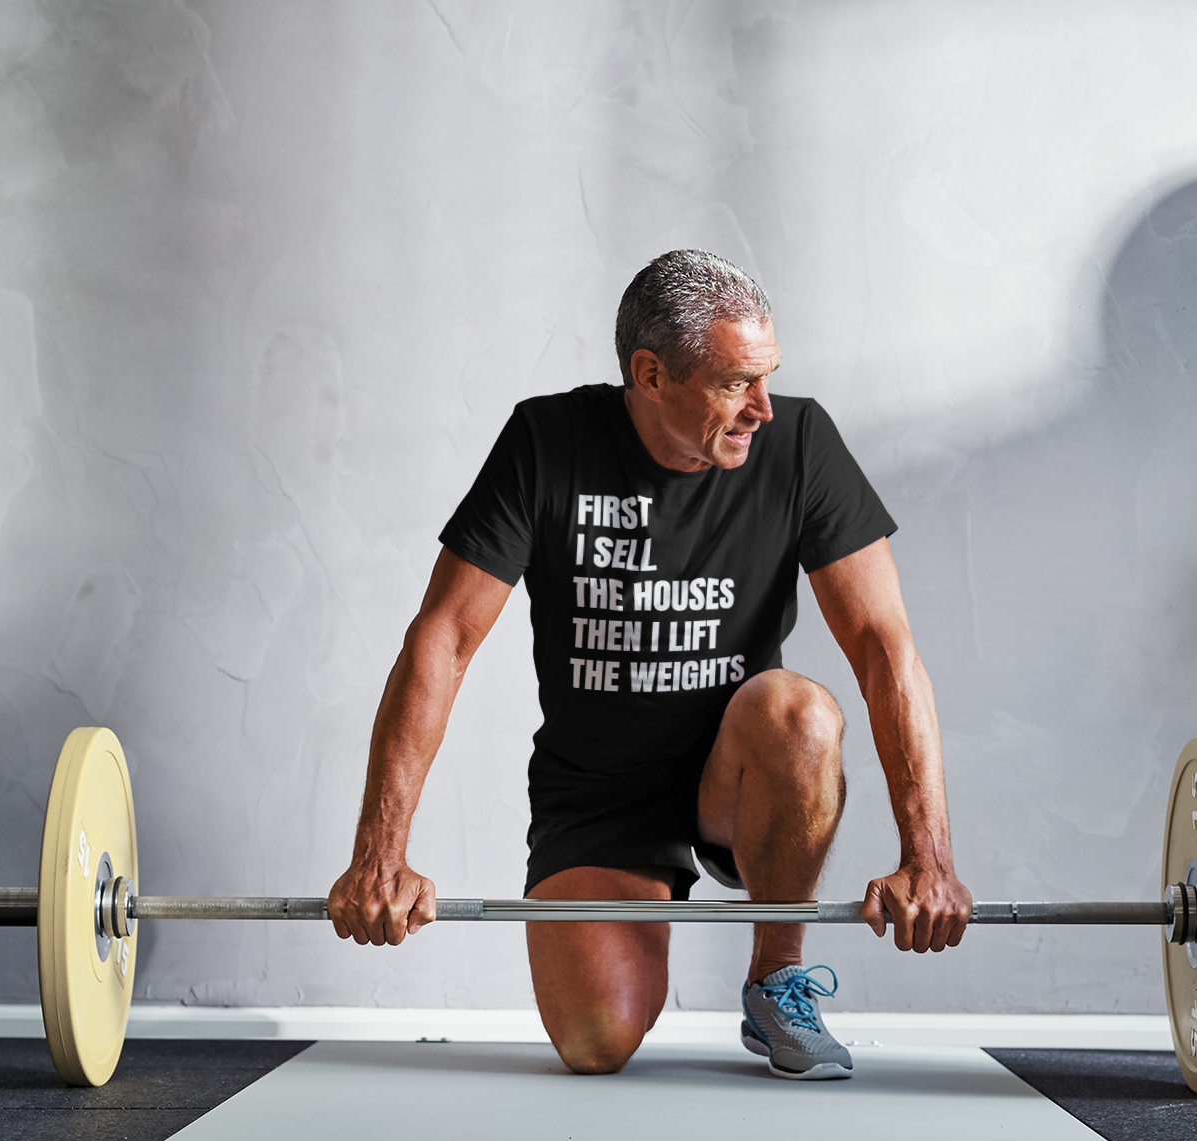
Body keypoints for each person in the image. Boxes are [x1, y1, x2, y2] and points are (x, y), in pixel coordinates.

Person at [327, 250, 971, 1079]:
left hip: (737, 776)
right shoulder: (548, 442)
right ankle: (639, 900)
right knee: (596, 1043)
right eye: (736, 382)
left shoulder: (801, 443)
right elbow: (442, 638)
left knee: (801, 713)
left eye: (767, 378)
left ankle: (777, 975)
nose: (762, 409)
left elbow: (886, 653)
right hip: (598, 792)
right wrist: (380, 851)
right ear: (651, 373)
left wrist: (930, 859)